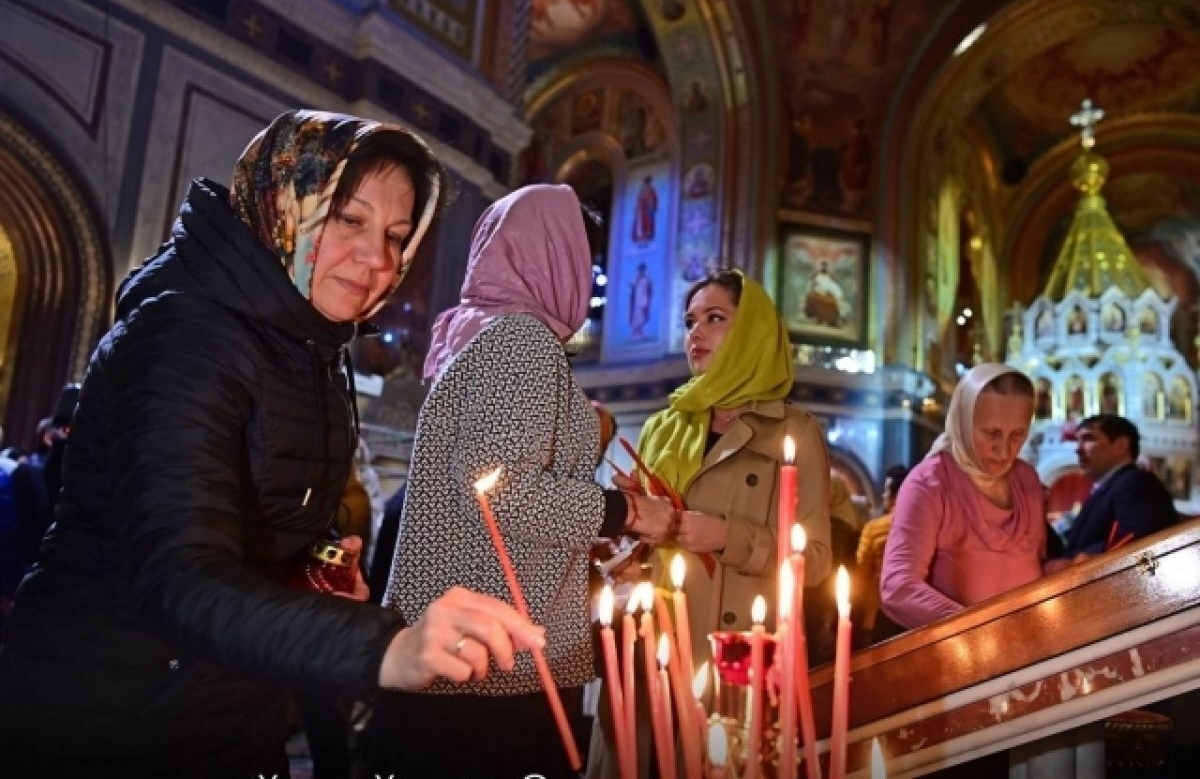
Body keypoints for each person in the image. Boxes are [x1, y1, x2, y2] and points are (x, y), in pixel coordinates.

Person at [0, 110, 546, 778]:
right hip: (104, 717)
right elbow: (175, 576)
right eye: (350, 219)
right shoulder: (186, 337)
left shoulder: (308, 343)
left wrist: (316, 567)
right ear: (284, 201)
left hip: (227, 704)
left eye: (397, 236)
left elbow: (267, 521)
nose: (378, 258)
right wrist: (387, 647)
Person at [367, 184, 678, 778]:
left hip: (465, 655)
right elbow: (504, 492)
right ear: (554, 256)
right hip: (495, 665)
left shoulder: (477, 335)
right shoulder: (521, 340)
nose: (587, 285)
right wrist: (630, 512)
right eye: (585, 265)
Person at [588, 269, 833, 778]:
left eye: (714, 319)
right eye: (689, 321)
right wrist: (630, 540)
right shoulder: (664, 425)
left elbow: (814, 561)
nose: (695, 333)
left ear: (751, 332)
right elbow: (643, 542)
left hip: (740, 654)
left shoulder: (795, 431)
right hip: (655, 646)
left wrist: (724, 535)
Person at [881, 363, 1045, 630]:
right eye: (991, 433)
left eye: (1017, 434)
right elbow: (898, 588)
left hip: (1028, 647)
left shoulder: (1026, 479)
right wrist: (980, 630)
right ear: (963, 421)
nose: (1004, 449)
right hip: (960, 656)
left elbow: (1030, 566)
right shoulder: (930, 483)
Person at [1044, 415, 1176, 574]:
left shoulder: (1135, 483)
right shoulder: (1110, 487)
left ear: (1121, 445)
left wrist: (1075, 562)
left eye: (1088, 438)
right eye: (1077, 440)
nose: (1078, 449)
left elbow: (1136, 542)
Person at [856, 464, 909, 645]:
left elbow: (861, 571)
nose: (883, 495)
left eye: (886, 491)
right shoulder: (920, 527)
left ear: (895, 494)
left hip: (876, 610)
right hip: (911, 613)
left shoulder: (873, 529)